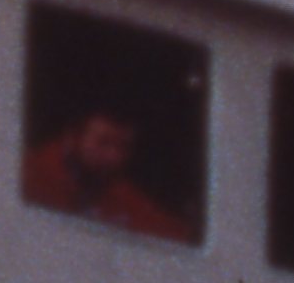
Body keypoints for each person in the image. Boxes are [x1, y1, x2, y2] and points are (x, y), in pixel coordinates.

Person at [23, 103, 191, 241]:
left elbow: (166, 230)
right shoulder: (30, 176)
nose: (114, 156)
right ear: (71, 138)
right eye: (103, 143)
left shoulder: (111, 185)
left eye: (123, 146)